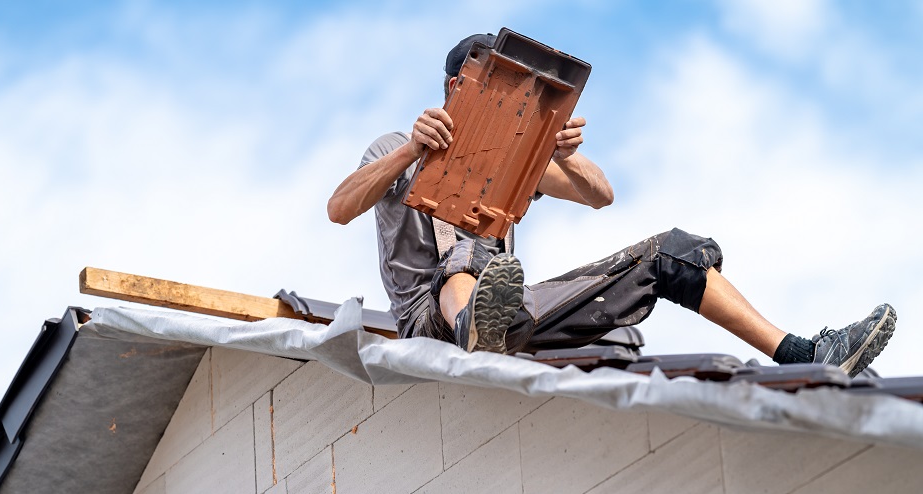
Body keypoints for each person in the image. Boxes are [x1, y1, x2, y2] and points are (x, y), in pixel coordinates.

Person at [326, 33, 895, 377]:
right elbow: (339, 208)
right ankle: (472, 322)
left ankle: (802, 353)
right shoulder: (398, 148)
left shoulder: (514, 160)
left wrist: (558, 152)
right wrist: (408, 153)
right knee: (469, 260)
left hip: (511, 313)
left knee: (670, 254)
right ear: (457, 89)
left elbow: (600, 195)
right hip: (431, 326)